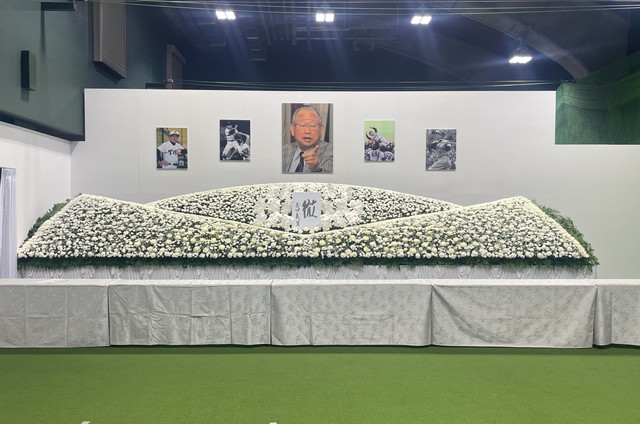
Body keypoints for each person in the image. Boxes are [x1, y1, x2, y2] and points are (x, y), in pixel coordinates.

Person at [283, 106, 333, 173]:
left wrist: (317, 169)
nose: (307, 131)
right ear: (292, 129)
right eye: (302, 125)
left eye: (312, 125)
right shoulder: (283, 151)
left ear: (321, 130)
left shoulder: (332, 152)